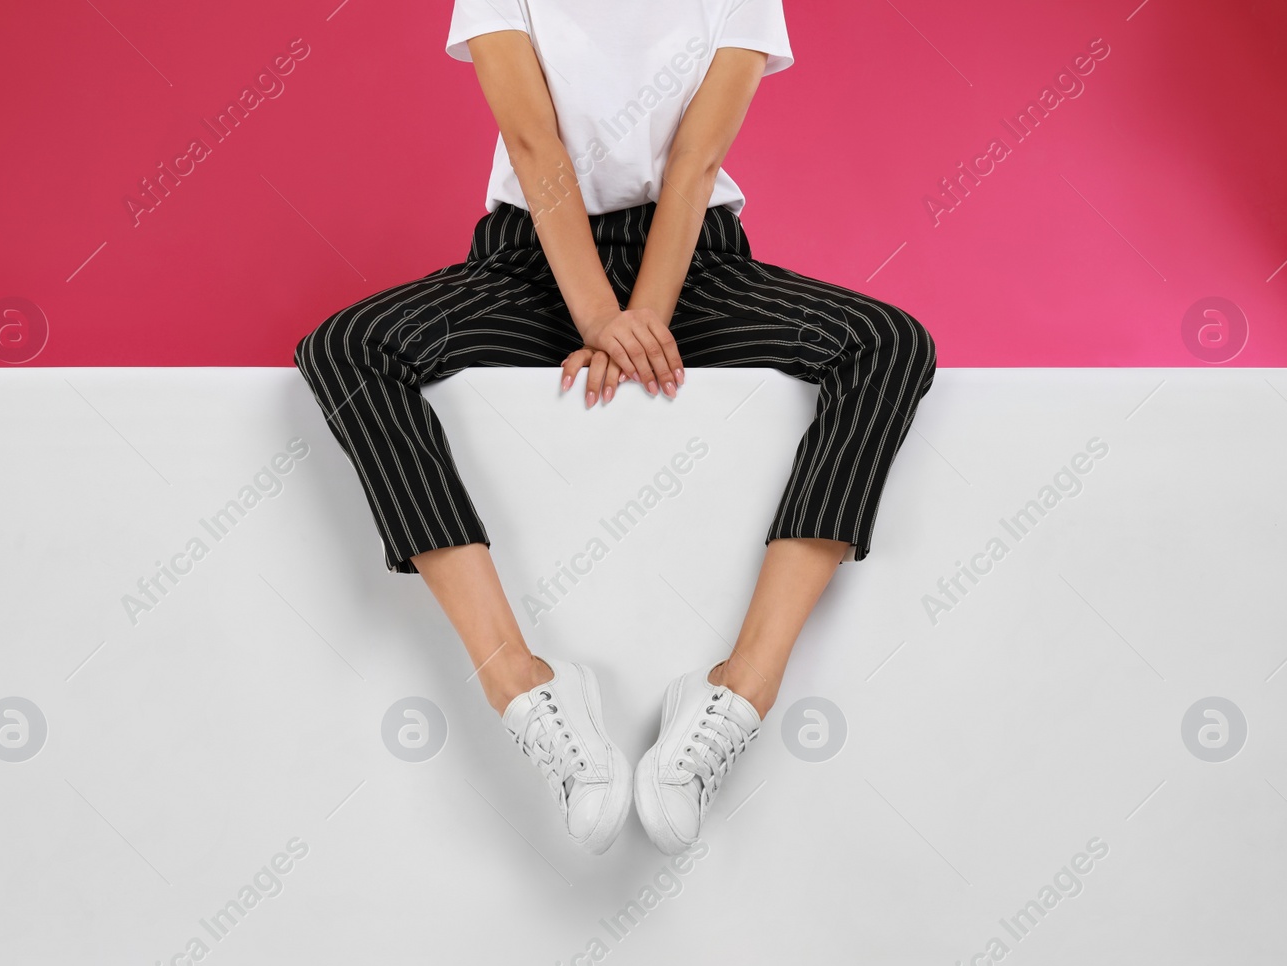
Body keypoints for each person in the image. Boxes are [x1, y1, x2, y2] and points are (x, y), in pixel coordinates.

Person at [294, 0, 936, 857]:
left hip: (692, 264)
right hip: (528, 265)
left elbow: (696, 161)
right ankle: (521, 686)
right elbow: (533, 145)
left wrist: (645, 316)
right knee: (347, 350)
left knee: (888, 345)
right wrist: (599, 314)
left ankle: (741, 690)